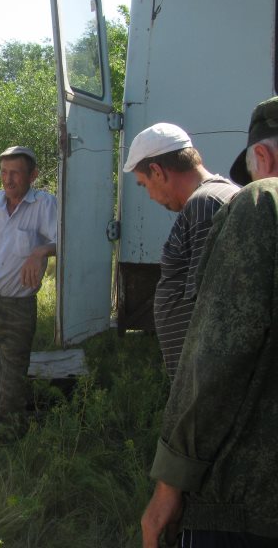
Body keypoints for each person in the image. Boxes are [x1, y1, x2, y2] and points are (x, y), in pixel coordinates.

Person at [141, 96, 278, 547]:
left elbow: (216, 339)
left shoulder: (212, 205)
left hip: (227, 451)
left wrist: (176, 471)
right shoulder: (223, 198)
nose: (149, 195)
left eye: (145, 183)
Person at [122, 123, 238, 382]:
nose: (150, 196)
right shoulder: (214, 197)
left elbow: (209, 306)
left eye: (143, 185)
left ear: (157, 171)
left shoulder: (205, 204)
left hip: (204, 379)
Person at [0, 145, 56, 441]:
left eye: (15, 173)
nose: (8, 179)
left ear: (33, 175)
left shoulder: (44, 205)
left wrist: (41, 251)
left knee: (13, 377)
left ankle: (8, 440)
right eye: (4, 173)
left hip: (17, 307)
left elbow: (66, 238)